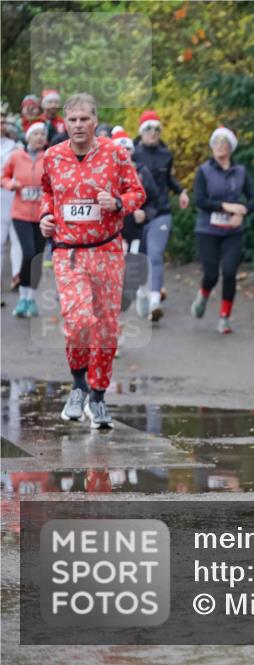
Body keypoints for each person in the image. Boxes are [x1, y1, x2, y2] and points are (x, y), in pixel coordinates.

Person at [38, 93, 146, 429]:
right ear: (65, 123)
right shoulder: (53, 156)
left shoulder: (114, 153)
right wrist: (45, 215)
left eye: (85, 119)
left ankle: (98, 397)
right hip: (69, 252)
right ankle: (79, 384)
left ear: (95, 121)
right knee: (79, 321)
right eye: (73, 120)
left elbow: (138, 194)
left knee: (105, 329)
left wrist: (116, 203)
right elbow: (47, 192)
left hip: (108, 250)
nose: (79, 125)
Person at [191, 126, 254, 334]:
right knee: (211, 274)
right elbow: (199, 200)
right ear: (212, 147)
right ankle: (203, 294)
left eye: (224, 143)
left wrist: (242, 212)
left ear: (231, 147)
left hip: (232, 231)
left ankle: (225, 317)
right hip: (207, 229)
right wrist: (226, 207)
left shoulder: (241, 171)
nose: (220, 146)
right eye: (216, 143)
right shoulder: (204, 170)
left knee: (229, 272)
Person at [132, 109, 189, 321]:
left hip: (161, 212)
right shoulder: (132, 153)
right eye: (149, 129)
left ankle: (155, 300)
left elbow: (169, 180)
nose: (154, 132)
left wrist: (181, 190)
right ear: (141, 131)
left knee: (155, 255)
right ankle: (143, 293)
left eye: (157, 129)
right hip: (137, 214)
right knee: (140, 258)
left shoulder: (166, 154)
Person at [109, 127, 158, 313]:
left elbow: (154, 199)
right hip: (115, 231)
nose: (124, 153)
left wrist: (146, 213)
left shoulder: (142, 172)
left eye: (127, 149)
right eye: (120, 150)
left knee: (138, 266)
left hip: (137, 230)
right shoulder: (106, 174)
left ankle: (144, 294)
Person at [2, 121, 47, 317]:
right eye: (36, 133)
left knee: (37, 257)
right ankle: (22, 297)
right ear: (28, 137)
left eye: (43, 134)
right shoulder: (16, 156)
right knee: (28, 253)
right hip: (20, 214)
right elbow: (2, 177)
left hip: (43, 215)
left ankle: (31, 298)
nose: (40, 137)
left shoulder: (50, 158)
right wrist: (11, 183)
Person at [1, 110, 24, 303]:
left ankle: (17, 276)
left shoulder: (15, 147)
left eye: (2, 122)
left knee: (16, 240)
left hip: (14, 198)